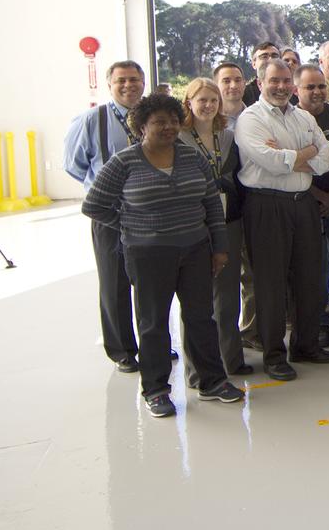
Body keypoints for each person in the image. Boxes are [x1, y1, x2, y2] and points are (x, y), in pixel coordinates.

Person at [82, 94, 243, 417]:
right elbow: (94, 205)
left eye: (172, 120)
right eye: (159, 122)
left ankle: (211, 381)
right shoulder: (124, 162)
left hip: (196, 249)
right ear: (142, 126)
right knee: (153, 324)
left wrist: (220, 247)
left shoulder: (191, 158)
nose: (168, 127)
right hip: (148, 255)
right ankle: (155, 389)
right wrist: (129, 225)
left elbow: (211, 202)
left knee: (200, 317)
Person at [235, 60, 329, 380]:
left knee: (309, 278)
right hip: (266, 206)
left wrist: (292, 156)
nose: (280, 87)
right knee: (271, 283)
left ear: (293, 85)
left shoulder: (303, 116)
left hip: (303, 204)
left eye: (284, 81)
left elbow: (326, 159)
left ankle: (306, 345)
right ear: (260, 82)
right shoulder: (250, 119)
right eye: (273, 81)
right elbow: (273, 163)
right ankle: (274, 355)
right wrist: (304, 153)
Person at [63, 60, 146, 372]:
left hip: (149, 214)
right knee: (114, 282)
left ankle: (153, 344)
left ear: (143, 82)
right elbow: (75, 164)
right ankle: (122, 350)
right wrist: (103, 189)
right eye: (121, 80)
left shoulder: (152, 116)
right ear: (110, 85)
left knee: (151, 283)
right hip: (110, 214)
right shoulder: (91, 120)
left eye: (135, 80)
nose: (128, 86)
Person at [178, 77, 252, 377]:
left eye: (213, 100)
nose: (207, 106)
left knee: (228, 296)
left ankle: (230, 361)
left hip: (228, 222)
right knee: (197, 299)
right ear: (189, 103)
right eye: (201, 100)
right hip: (194, 224)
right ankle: (198, 369)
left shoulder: (228, 136)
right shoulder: (179, 139)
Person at [296, 64, 329, 347]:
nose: (316, 92)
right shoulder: (290, 119)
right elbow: (291, 164)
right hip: (306, 201)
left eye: (320, 86)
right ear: (296, 90)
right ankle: (321, 320)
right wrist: (319, 195)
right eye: (309, 87)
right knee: (316, 267)